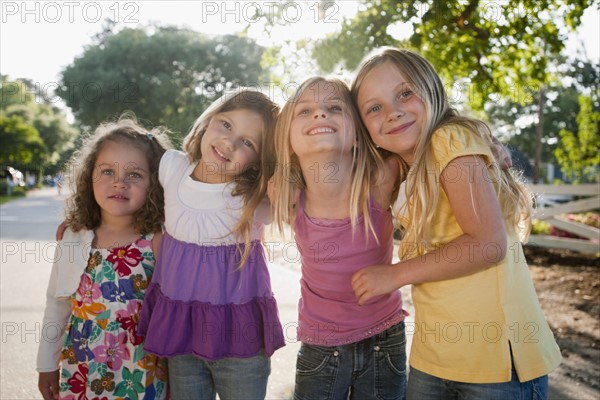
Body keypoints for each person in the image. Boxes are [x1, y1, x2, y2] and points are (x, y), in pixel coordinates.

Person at [350, 47, 562, 399]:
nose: (393, 112)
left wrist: (394, 274)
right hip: (435, 357)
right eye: (374, 108)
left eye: (405, 93)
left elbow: (487, 243)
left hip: (495, 361)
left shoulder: (448, 139)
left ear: (431, 90)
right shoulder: (404, 170)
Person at [138, 88, 285, 400]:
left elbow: (305, 194)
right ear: (208, 121)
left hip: (240, 342)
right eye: (226, 125)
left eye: (248, 142)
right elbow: (125, 181)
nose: (229, 143)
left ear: (260, 159)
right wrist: (85, 220)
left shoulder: (256, 198)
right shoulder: (172, 167)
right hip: (182, 333)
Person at [271, 77, 409, 400]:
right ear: (288, 139)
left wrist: (484, 140)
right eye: (304, 111)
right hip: (320, 345)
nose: (320, 115)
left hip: (384, 339)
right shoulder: (286, 195)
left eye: (334, 108)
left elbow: (431, 150)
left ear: (358, 134)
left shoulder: (381, 179)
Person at [37, 117, 172, 400]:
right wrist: (47, 365)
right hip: (82, 369)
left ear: (155, 183)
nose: (119, 183)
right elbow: (57, 303)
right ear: (90, 177)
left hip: (140, 373)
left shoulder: (158, 240)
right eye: (107, 171)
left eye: (134, 174)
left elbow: (172, 314)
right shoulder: (74, 237)